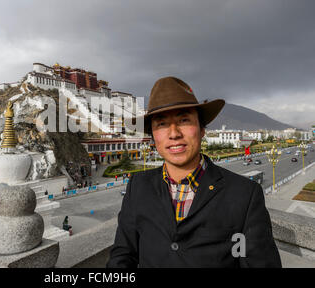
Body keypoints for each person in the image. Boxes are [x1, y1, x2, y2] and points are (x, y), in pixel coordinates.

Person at [107, 76, 281, 268]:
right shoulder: (139, 186)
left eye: (183, 120)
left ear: (202, 129)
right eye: (162, 124)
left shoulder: (245, 194)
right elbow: (122, 255)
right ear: (153, 136)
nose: (174, 134)